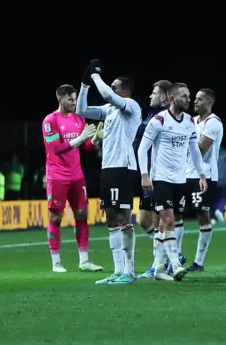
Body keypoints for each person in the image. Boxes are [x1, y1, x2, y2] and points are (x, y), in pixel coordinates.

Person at [76, 59, 142, 285]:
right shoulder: (109, 110)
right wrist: (85, 85)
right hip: (107, 168)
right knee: (111, 218)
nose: (110, 89)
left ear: (125, 90)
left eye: (115, 86)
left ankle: (129, 272)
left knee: (124, 218)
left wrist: (95, 76)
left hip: (123, 167)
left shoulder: (131, 106)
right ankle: (117, 271)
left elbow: (107, 95)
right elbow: (81, 110)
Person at [138, 82, 207, 281]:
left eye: (189, 95)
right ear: (171, 99)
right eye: (184, 96)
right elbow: (143, 148)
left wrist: (201, 175)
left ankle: (158, 268)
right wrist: (145, 174)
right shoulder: (158, 121)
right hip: (161, 178)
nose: (189, 99)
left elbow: (194, 150)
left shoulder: (188, 122)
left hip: (181, 179)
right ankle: (175, 264)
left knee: (166, 224)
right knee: (167, 220)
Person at [42, 84, 102, 273]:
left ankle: (84, 261)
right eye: (70, 99)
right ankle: (56, 262)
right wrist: (80, 139)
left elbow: (85, 148)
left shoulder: (78, 119)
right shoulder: (50, 120)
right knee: (56, 217)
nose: (74, 103)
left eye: (75, 99)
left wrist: (94, 140)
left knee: (82, 216)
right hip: (57, 176)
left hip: (77, 176)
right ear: (60, 99)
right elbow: (55, 149)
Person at [136, 80, 173, 279]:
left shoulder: (167, 118)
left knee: (158, 219)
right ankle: (170, 251)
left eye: (154, 92)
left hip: (160, 175)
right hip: (147, 173)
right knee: (143, 219)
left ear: (165, 97)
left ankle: (156, 265)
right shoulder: (152, 115)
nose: (151, 95)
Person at [186, 88, 223, 272]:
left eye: (200, 99)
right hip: (185, 174)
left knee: (202, 216)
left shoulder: (213, 123)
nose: (195, 101)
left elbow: (200, 149)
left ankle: (198, 262)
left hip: (205, 176)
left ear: (209, 103)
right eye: (195, 98)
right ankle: (173, 258)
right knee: (175, 214)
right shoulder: (191, 121)